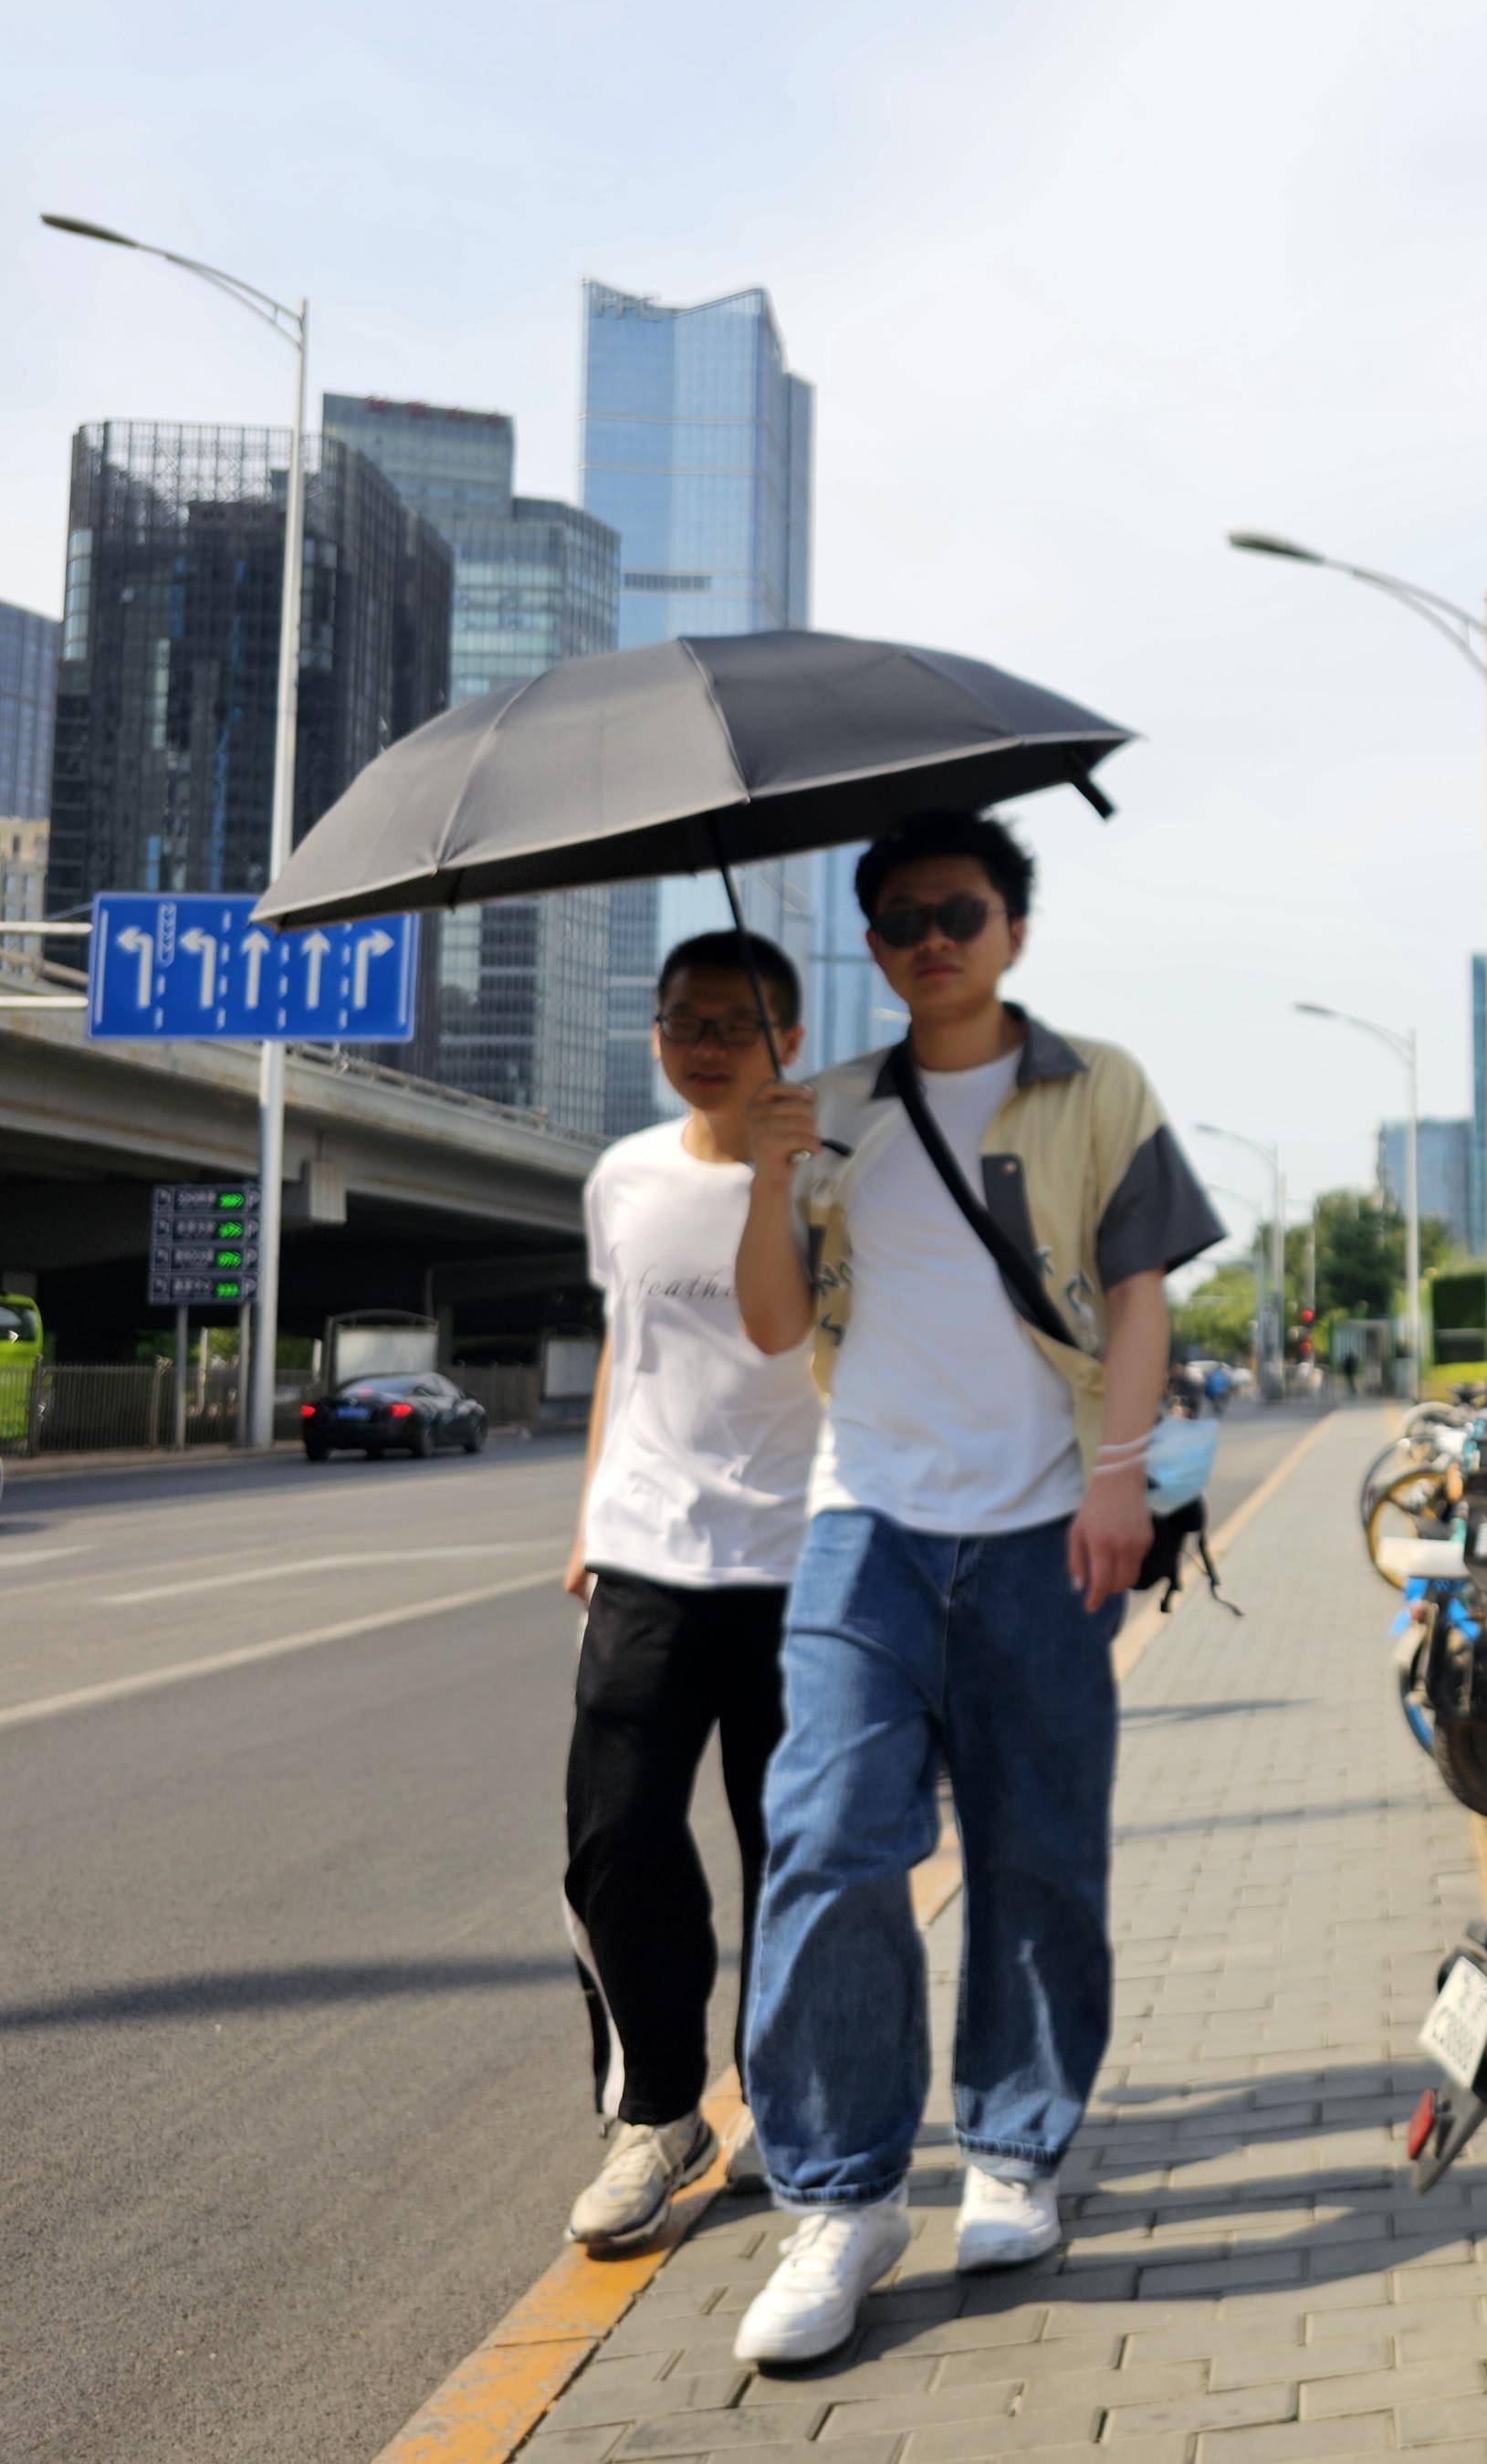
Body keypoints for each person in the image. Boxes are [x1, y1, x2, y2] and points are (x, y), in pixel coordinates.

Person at [725, 809, 1221, 2364]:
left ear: (1013, 927)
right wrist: (764, 1173)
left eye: (959, 909)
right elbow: (767, 1328)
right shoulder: (836, 1110)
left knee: (1038, 1853)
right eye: (898, 920)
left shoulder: (1099, 1086)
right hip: (860, 1526)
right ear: (870, 948)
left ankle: (1013, 2151)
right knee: (823, 1844)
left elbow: (1138, 1294)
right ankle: (844, 2197)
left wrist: (1121, 1477)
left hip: (1042, 1530)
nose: (929, 937)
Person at [560, 932, 823, 2254]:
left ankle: (787, 2100)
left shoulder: (837, 1181)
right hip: (646, 1558)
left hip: (797, 1564)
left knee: (796, 1858)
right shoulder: (625, 1176)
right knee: (614, 1845)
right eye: (680, 1019)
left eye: (733, 1020)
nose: (702, 1040)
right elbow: (631, 1349)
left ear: (787, 1030)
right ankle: (658, 2114)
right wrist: (590, 1511)